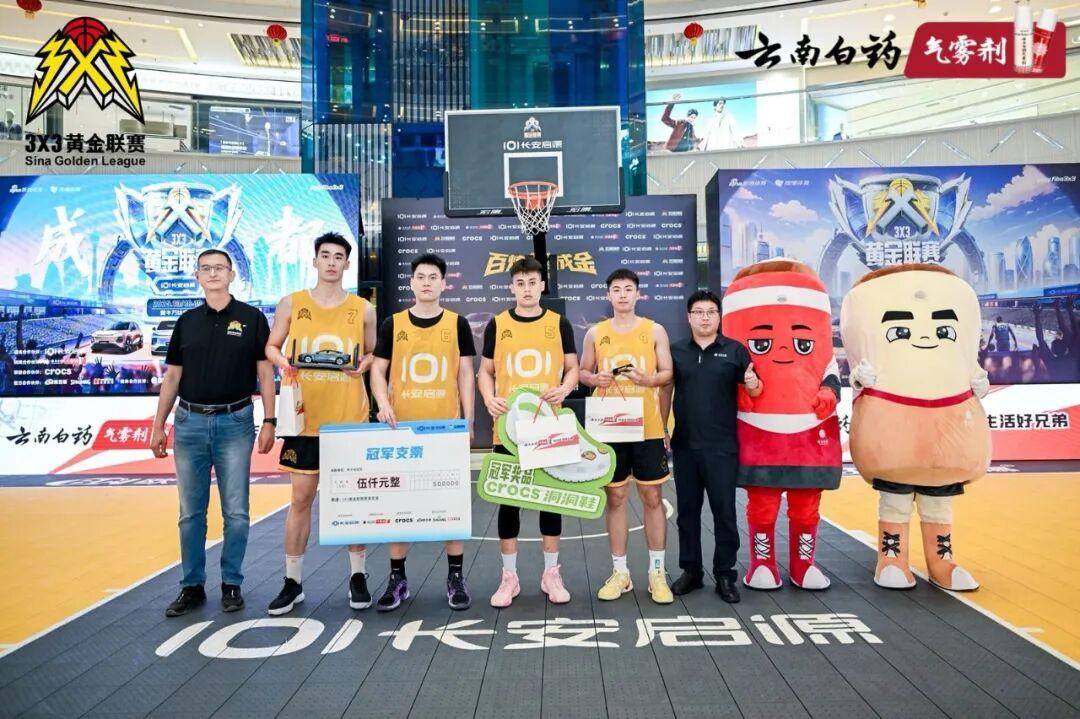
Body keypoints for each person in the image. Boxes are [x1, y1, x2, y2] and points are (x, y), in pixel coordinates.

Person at [152, 249, 277, 617]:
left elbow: (265, 373)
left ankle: (231, 583)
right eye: (205, 268)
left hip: (235, 422)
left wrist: (270, 421)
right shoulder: (186, 321)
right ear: (197, 276)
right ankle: (191, 586)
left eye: (219, 268)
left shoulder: (252, 318)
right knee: (190, 513)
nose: (212, 273)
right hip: (189, 423)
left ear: (231, 274)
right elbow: (172, 377)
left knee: (236, 511)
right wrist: (159, 425)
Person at [264, 232, 377, 615]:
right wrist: (284, 363)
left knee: (353, 500)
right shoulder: (292, 303)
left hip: (349, 419)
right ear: (315, 261)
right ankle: (292, 581)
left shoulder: (363, 309)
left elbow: (372, 353)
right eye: (325, 255)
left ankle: (358, 576)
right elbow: (271, 346)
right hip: (305, 419)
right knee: (300, 500)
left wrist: (364, 365)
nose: (331, 262)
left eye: (338, 256)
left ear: (347, 264)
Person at [369, 253, 476, 612]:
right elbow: (378, 370)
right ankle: (397, 578)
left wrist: (469, 421)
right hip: (402, 432)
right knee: (399, 506)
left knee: (451, 506)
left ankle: (455, 577)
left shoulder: (458, 324)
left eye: (433, 277)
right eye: (421, 276)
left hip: (445, 430)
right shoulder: (393, 323)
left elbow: (465, 374)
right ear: (412, 283)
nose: (427, 282)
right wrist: (383, 403)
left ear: (444, 284)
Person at [478, 256, 579, 607]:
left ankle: (551, 573)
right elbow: (485, 371)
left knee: (550, 501)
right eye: (520, 283)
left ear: (542, 286)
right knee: (509, 503)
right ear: (511, 287)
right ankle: (509, 577)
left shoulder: (558, 323)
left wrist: (564, 389)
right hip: (509, 429)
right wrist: (488, 398)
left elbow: (572, 367)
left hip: (548, 425)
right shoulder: (498, 324)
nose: (526, 289)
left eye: (532, 283)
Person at [579, 268, 674, 604]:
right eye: (616, 289)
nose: (622, 294)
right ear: (608, 295)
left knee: (652, 497)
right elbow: (582, 372)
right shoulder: (596, 333)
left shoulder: (654, 330)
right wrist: (595, 379)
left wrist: (649, 380)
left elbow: (667, 373)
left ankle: (657, 573)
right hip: (610, 427)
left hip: (647, 426)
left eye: (628, 289)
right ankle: (620, 573)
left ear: (638, 294)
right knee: (616, 498)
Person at [668, 289, 761, 603]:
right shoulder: (676, 351)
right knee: (686, 514)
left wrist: (753, 384)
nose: (705, 318)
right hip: (684, 446)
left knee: (724, 513)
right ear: (689, 317)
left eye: (710, 312)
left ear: (719, 317)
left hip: (722, 447)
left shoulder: (735, 350)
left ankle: (725, 574)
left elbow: (756, 388)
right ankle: (691, 571)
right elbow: (665, 389)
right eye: (698, 312)